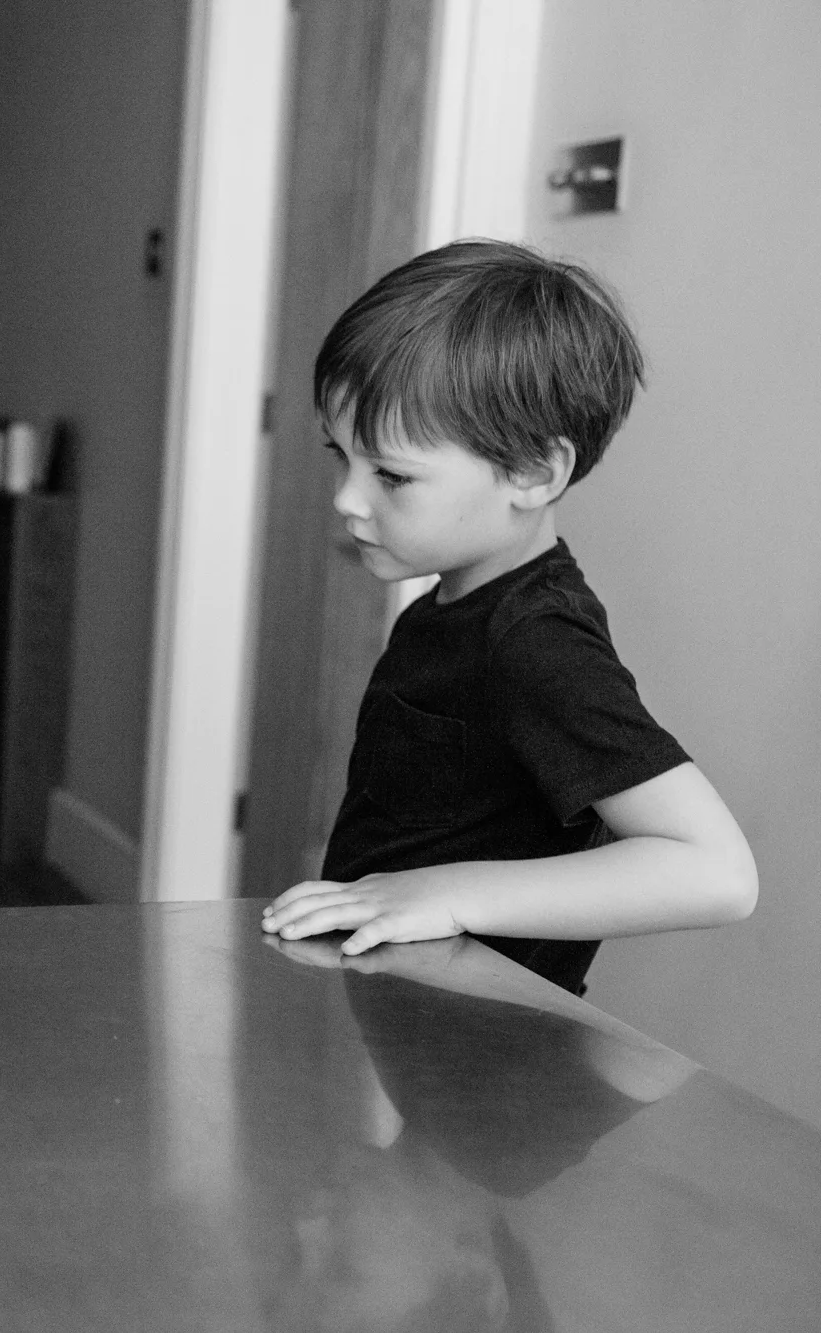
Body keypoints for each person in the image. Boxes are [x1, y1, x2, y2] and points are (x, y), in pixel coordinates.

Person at [262, 239, 756, 992]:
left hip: (489, 1043)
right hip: (406, 1014)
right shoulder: (449, 608)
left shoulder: (535, 641)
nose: (347, 500)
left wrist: (446, 891)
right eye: (342, 457)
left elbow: (716, 872)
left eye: (391, 475)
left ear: (532, 472)